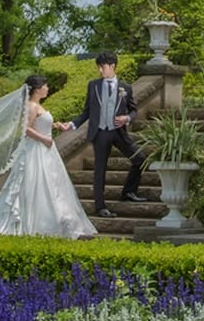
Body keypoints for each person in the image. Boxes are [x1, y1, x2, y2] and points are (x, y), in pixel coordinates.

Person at [0, 75, 97, 239]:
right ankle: (37, 225)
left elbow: (39, 124)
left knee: (52, 185)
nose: (47, 89)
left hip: (46, 149)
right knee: (36, 184)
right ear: (37, 89)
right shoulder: (32, 106)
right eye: (45, 86)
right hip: (37, 149)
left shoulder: (37, 106)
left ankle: (55, 222)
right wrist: (43, 139)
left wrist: (55, 125)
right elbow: (26, 129)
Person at [58, 51, 146, 218]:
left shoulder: (125, 87)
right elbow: (87, 112)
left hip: (118, 132)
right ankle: (100, 207)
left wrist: (127, 118)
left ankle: (128, 192)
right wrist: (71, 124)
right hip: (100, 133)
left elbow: (134, 110)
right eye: (98, 67)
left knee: (140, 158)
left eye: (102, 67)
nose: (100, 70)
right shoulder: (93, 85)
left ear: (112, 66)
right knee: (100, 169)